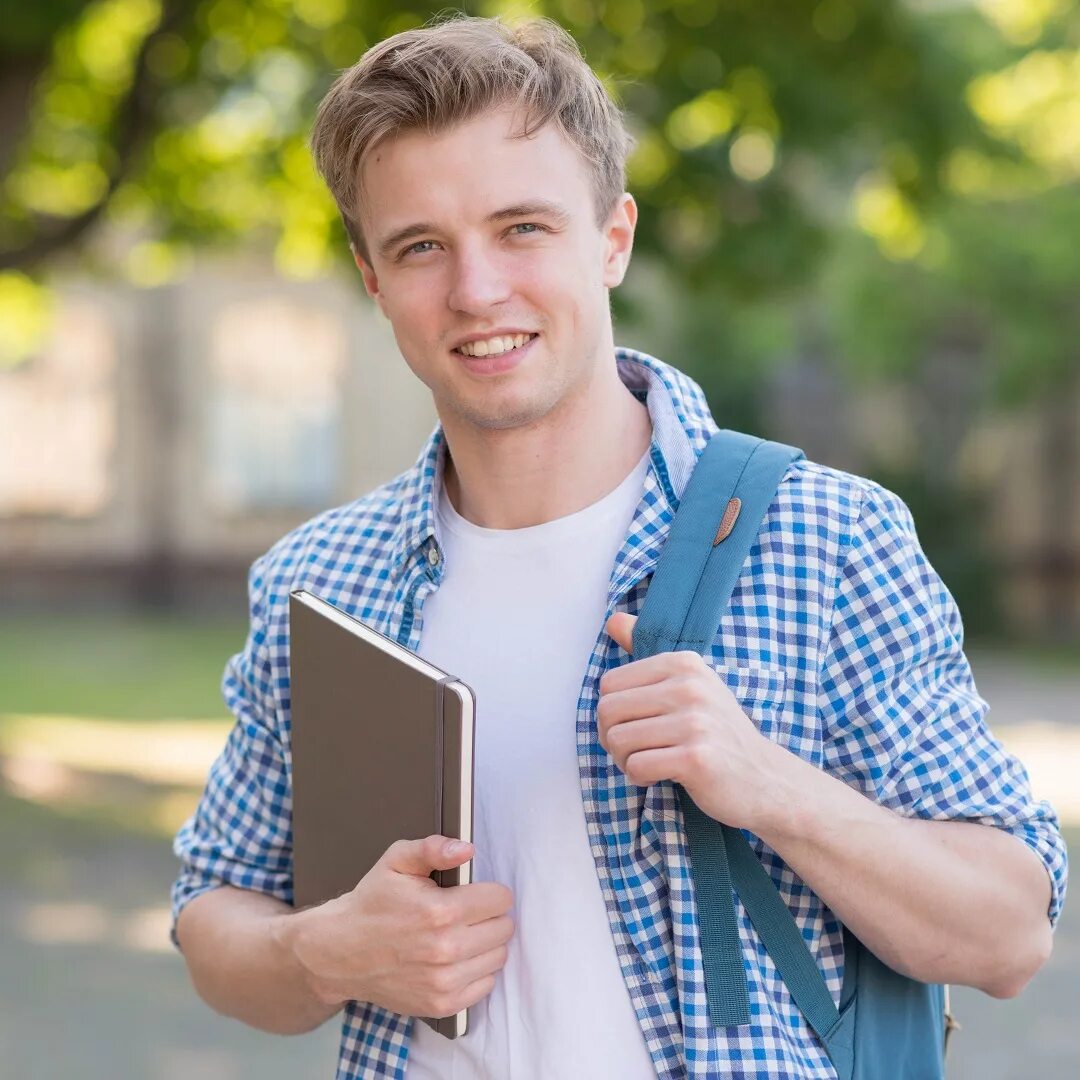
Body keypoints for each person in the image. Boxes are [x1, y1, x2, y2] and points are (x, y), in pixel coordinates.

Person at [170, 14, 1067, 1080]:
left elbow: (1010, 935)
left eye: (522, 229)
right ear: (372, 279)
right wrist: (324, 952)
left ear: (613, 237)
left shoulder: (826, 538)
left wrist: (766, 783)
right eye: (421, 247)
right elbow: (213, 913)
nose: (476, 290)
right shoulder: (322, 583)